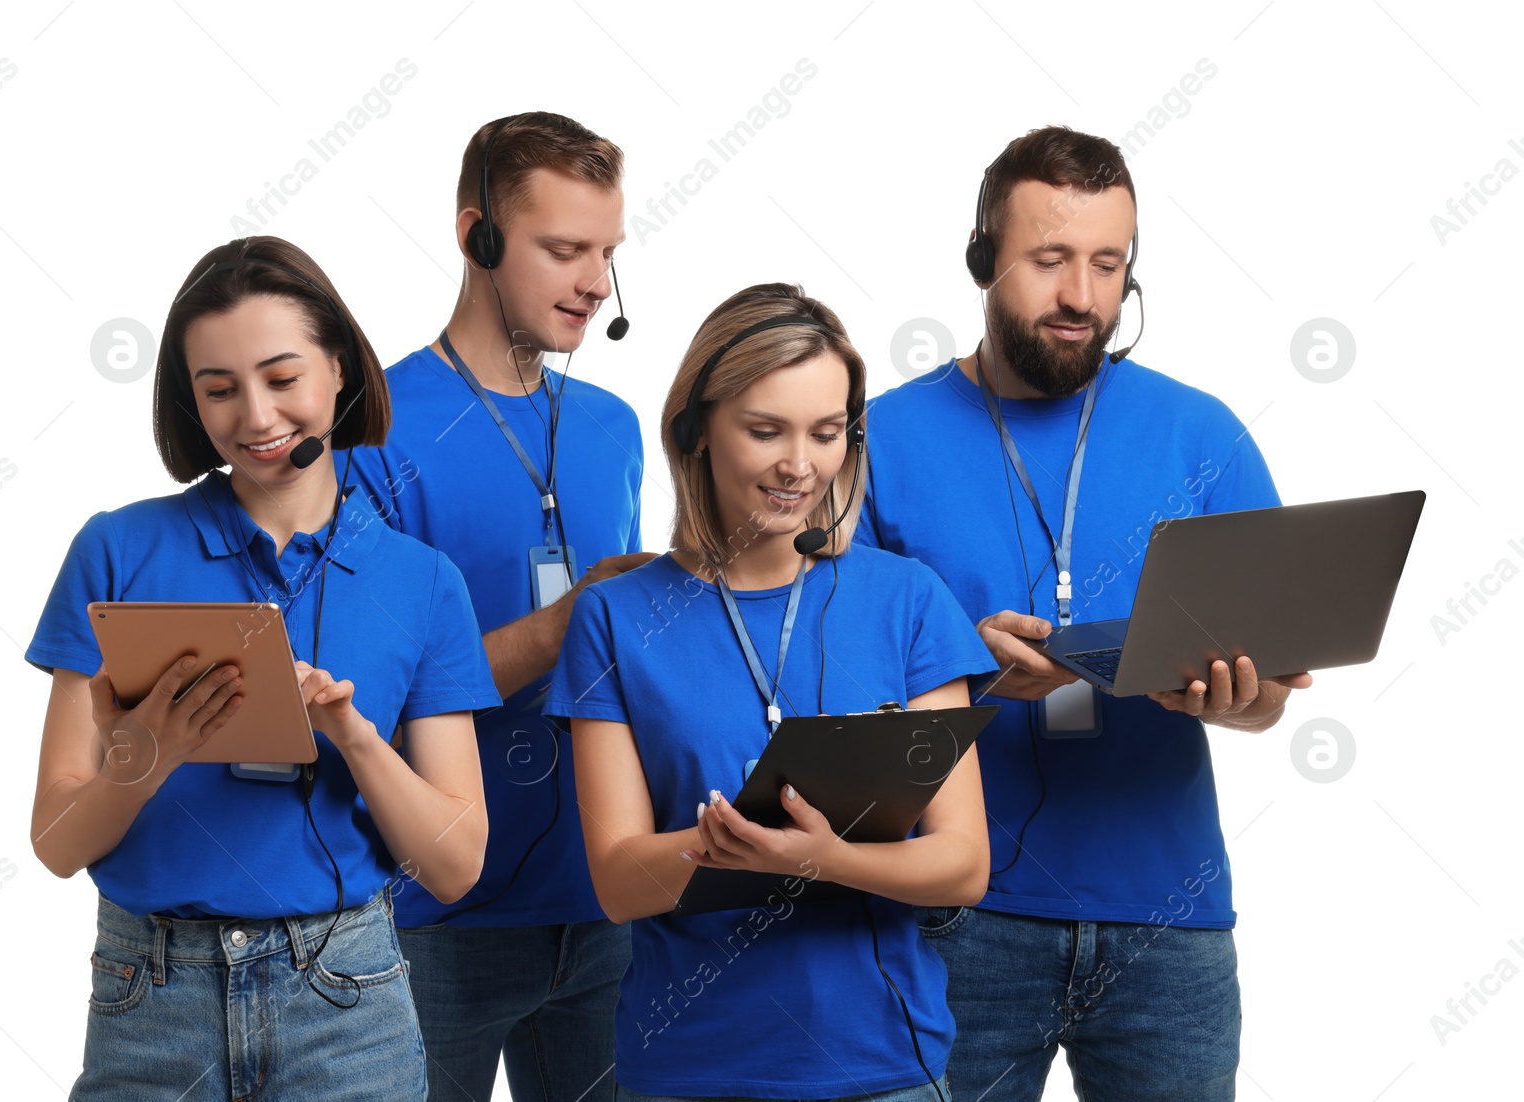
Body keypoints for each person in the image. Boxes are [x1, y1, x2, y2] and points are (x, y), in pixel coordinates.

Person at [857, 126, 1313, 1100]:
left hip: (1168, 925)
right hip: (954, 918)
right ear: (982, 261)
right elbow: (820, 679)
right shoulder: (874, 437)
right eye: (1050, 260)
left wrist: (1234, 698)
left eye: (1108, 265)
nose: (1081, 296)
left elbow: (1269, 694)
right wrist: (955, 664)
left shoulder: (1202, 432)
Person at [26, 236, 498, 1101]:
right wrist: (148, 755)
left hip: (346, 1000)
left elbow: (458, 864)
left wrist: (356, 739)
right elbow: (56, 842)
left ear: (340, 370)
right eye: (219, 389)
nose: (256, 417)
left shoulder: (425, 583)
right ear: (190, 402)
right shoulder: (115, 551)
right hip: (151, 997)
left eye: (283, 380)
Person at [547, 283, 992, 1102]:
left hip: (884, 1069)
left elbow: (963, 863)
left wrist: (822, 859)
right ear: (696, 430)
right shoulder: (614, 618)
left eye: (826, 433)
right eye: (765, 431)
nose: (800, 465)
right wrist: (742, 850)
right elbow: (616, 882)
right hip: (688, 1072)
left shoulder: (909, 599)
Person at [344, 111, 651, 1102]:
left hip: (604, 904)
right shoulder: (375, 431)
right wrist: (560, 631)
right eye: (564, 249)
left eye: (605, 251)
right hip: (436, 918)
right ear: (476, 234)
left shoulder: (612, 428)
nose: (595, 280)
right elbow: (364, 698)